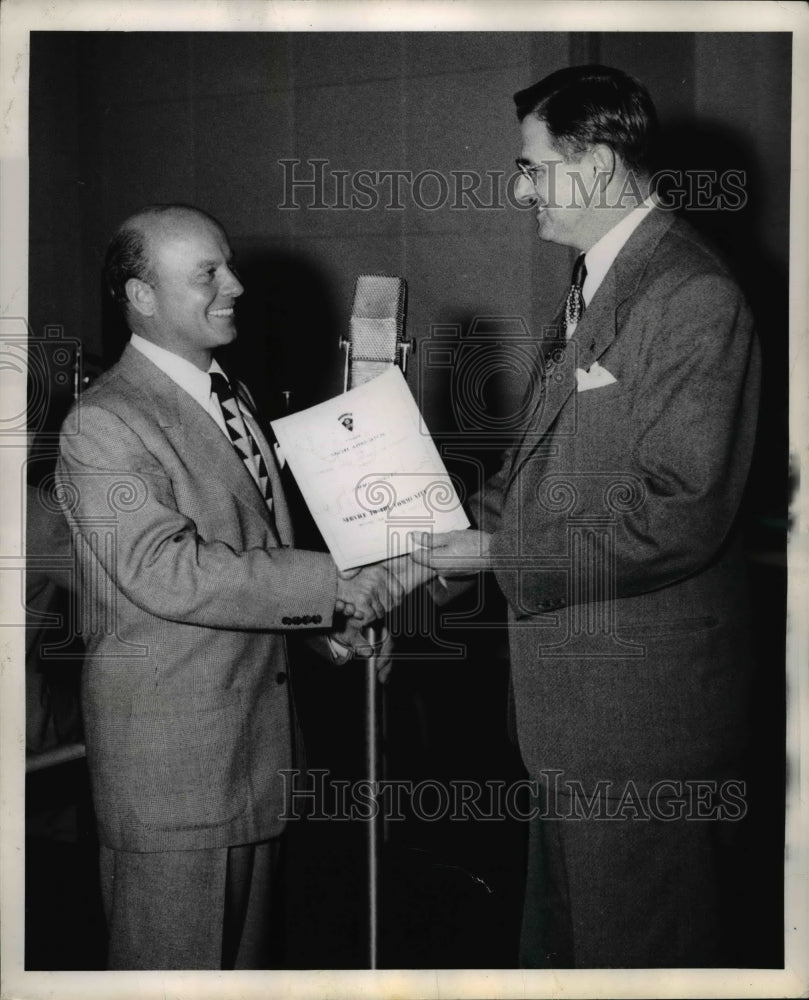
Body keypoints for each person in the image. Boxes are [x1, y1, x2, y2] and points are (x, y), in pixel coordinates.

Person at [412, 65, 761, 967]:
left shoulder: (688, 293)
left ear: (598, 164)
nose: (520, 188)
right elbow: (538, 470)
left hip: (643, 726)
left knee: (636, 955)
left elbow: (678, 511)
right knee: (573, 949)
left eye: (533, 168)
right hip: (576, 715)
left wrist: (495, 549)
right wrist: (433, 543)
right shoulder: (597, 284)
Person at [55, 204, 403, 970]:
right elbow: (166, 571)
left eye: (229, 265)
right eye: (207, 274)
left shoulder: (230, 398)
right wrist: (334, 581)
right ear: (141, 297)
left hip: (254, 762)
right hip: (174, 777)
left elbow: (252, 557)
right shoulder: (105, 423)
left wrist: (323, 628)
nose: (235, 286)